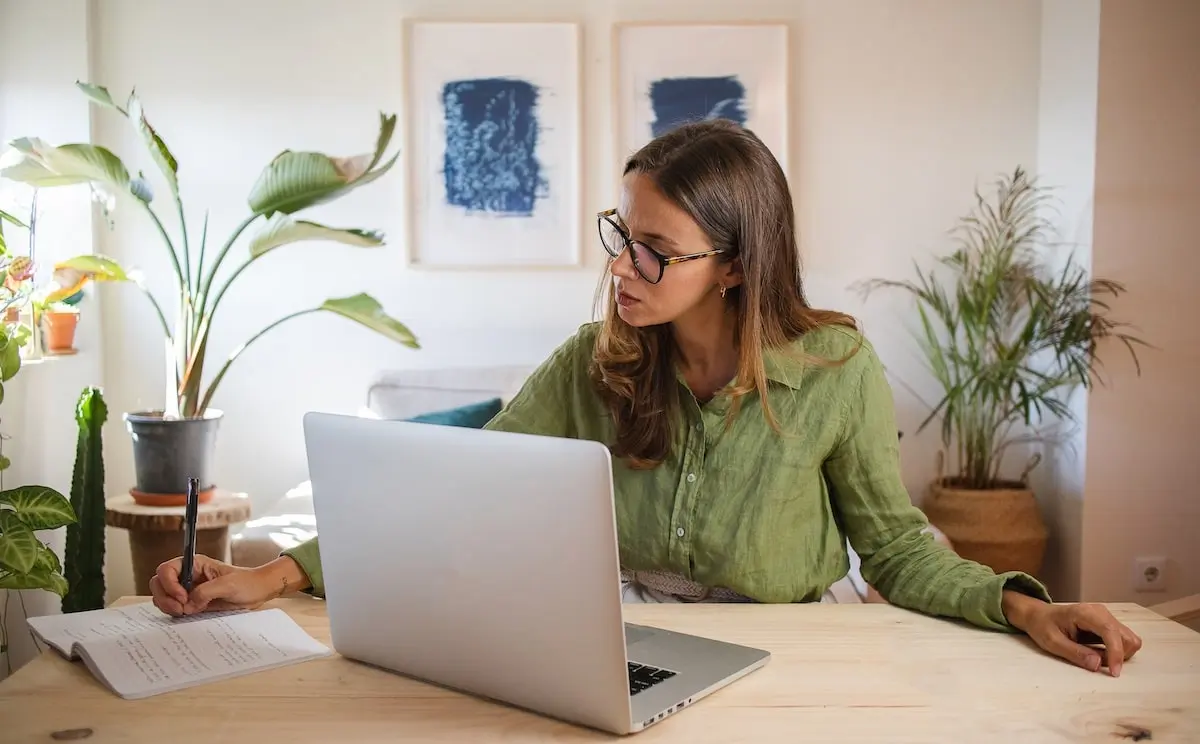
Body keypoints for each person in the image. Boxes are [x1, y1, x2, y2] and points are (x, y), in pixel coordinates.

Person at [150, 119, 1142, 677]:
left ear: (738, 267)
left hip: (793, 650)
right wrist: (270, 577)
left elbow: (890, 547)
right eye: (620, 232)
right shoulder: (593, 362)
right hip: (623, 649)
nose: (623, 264)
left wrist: (1020, 607)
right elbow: (456, 492)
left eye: (656, 249)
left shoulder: (836, 368)